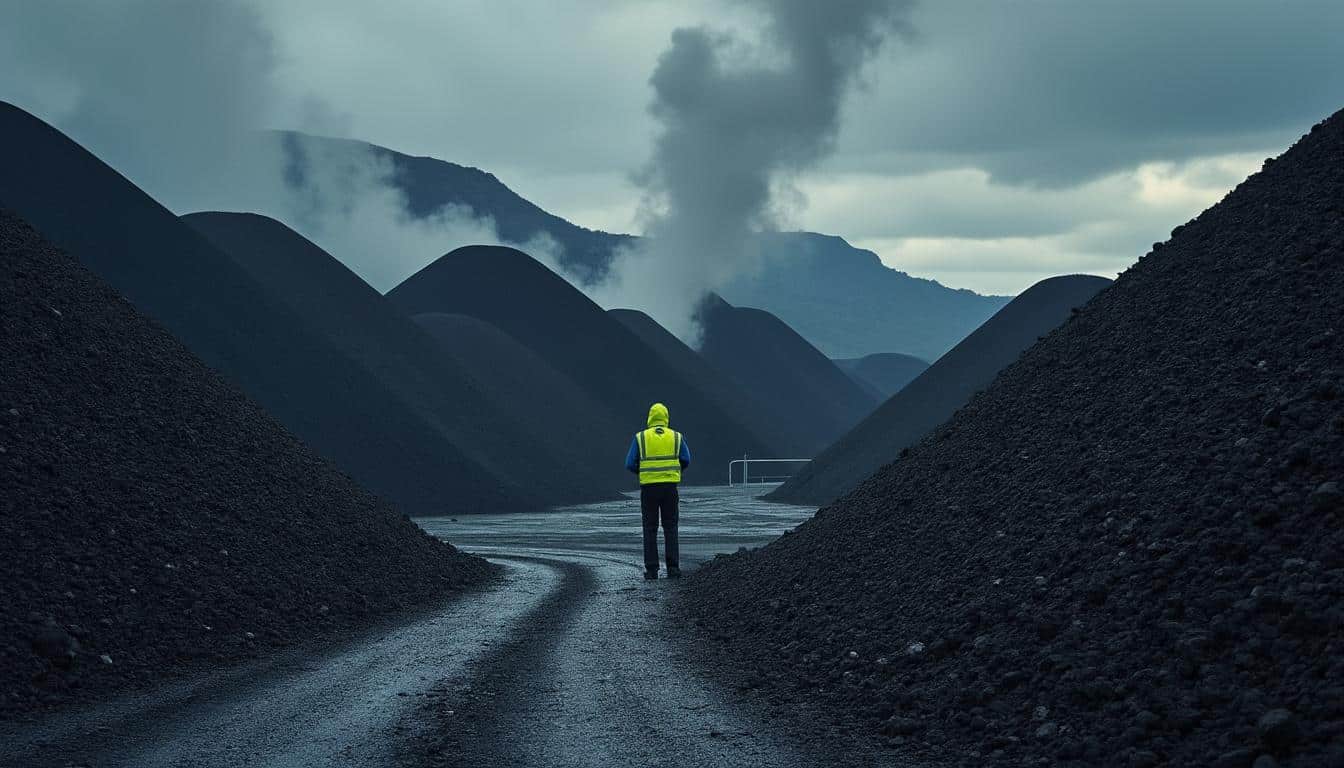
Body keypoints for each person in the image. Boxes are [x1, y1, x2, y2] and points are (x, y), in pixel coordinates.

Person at [624, 402, 691, 580]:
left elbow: (629, 463)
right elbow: (686, 459)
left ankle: (652, 570)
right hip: (670, 488)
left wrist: (643, 473)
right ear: (666, 417)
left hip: (649, 489)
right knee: (671, 527)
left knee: (649, 527)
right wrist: (674, 471)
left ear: (650, 417)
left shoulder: (641, 437)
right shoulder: (676, 437)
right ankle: (673, 568)